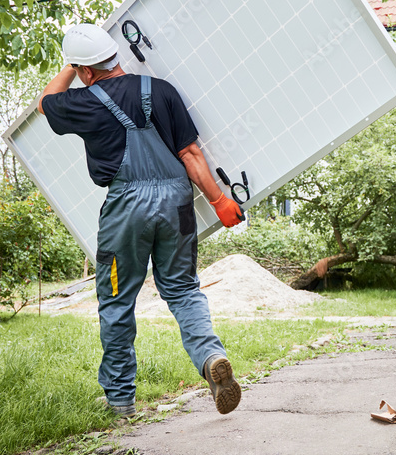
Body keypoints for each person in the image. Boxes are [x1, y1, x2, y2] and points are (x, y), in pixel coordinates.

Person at [37, 23, 246, 416]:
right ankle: (210, 358)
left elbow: (46, 101)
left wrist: (71, 65)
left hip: (126, 209)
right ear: (115, 56)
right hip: (177, 203)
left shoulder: (82, 101)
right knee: (183, 289)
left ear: (85, 70)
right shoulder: (162, 89)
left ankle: (120, 400)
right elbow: (191, 155)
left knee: (117, 301)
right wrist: (219, 201)